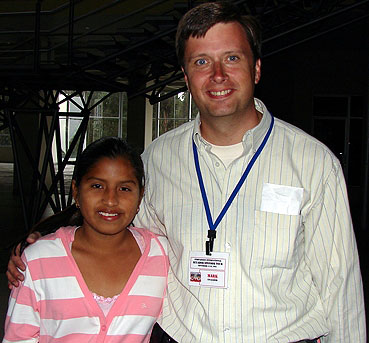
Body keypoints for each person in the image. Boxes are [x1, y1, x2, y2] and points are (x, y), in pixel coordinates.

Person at [7, 2, 366, 342]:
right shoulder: (159, 160)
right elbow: (116, 220)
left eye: (231, 58)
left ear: (256, 67)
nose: (218, 75)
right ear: (185, 75)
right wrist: (45, 242)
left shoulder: (313, 163)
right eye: (201, 62)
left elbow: (341, 286)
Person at [3, 137, 169, 342]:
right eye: (97, 186)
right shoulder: (39, 260)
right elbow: (19, 337)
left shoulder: (161, 256)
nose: (110, 199)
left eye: (124, 188)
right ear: (76, 191)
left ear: (140, 196)